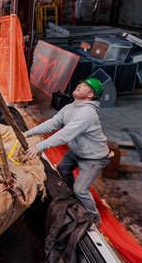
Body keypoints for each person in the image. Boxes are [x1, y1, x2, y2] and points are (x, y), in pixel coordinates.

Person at [24, 78, 110, 226]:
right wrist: (28, 133)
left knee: (81, 189)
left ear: (91, 95)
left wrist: (39, 146)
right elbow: (53, 123)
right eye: (80, 83)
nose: (79, 85)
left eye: (84, 86)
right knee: (63, 169)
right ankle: (74, 197)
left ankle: (95, 219)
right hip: (78, 150)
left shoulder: (87, 114)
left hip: (93, 158)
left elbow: (65, 134)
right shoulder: (71, 107)